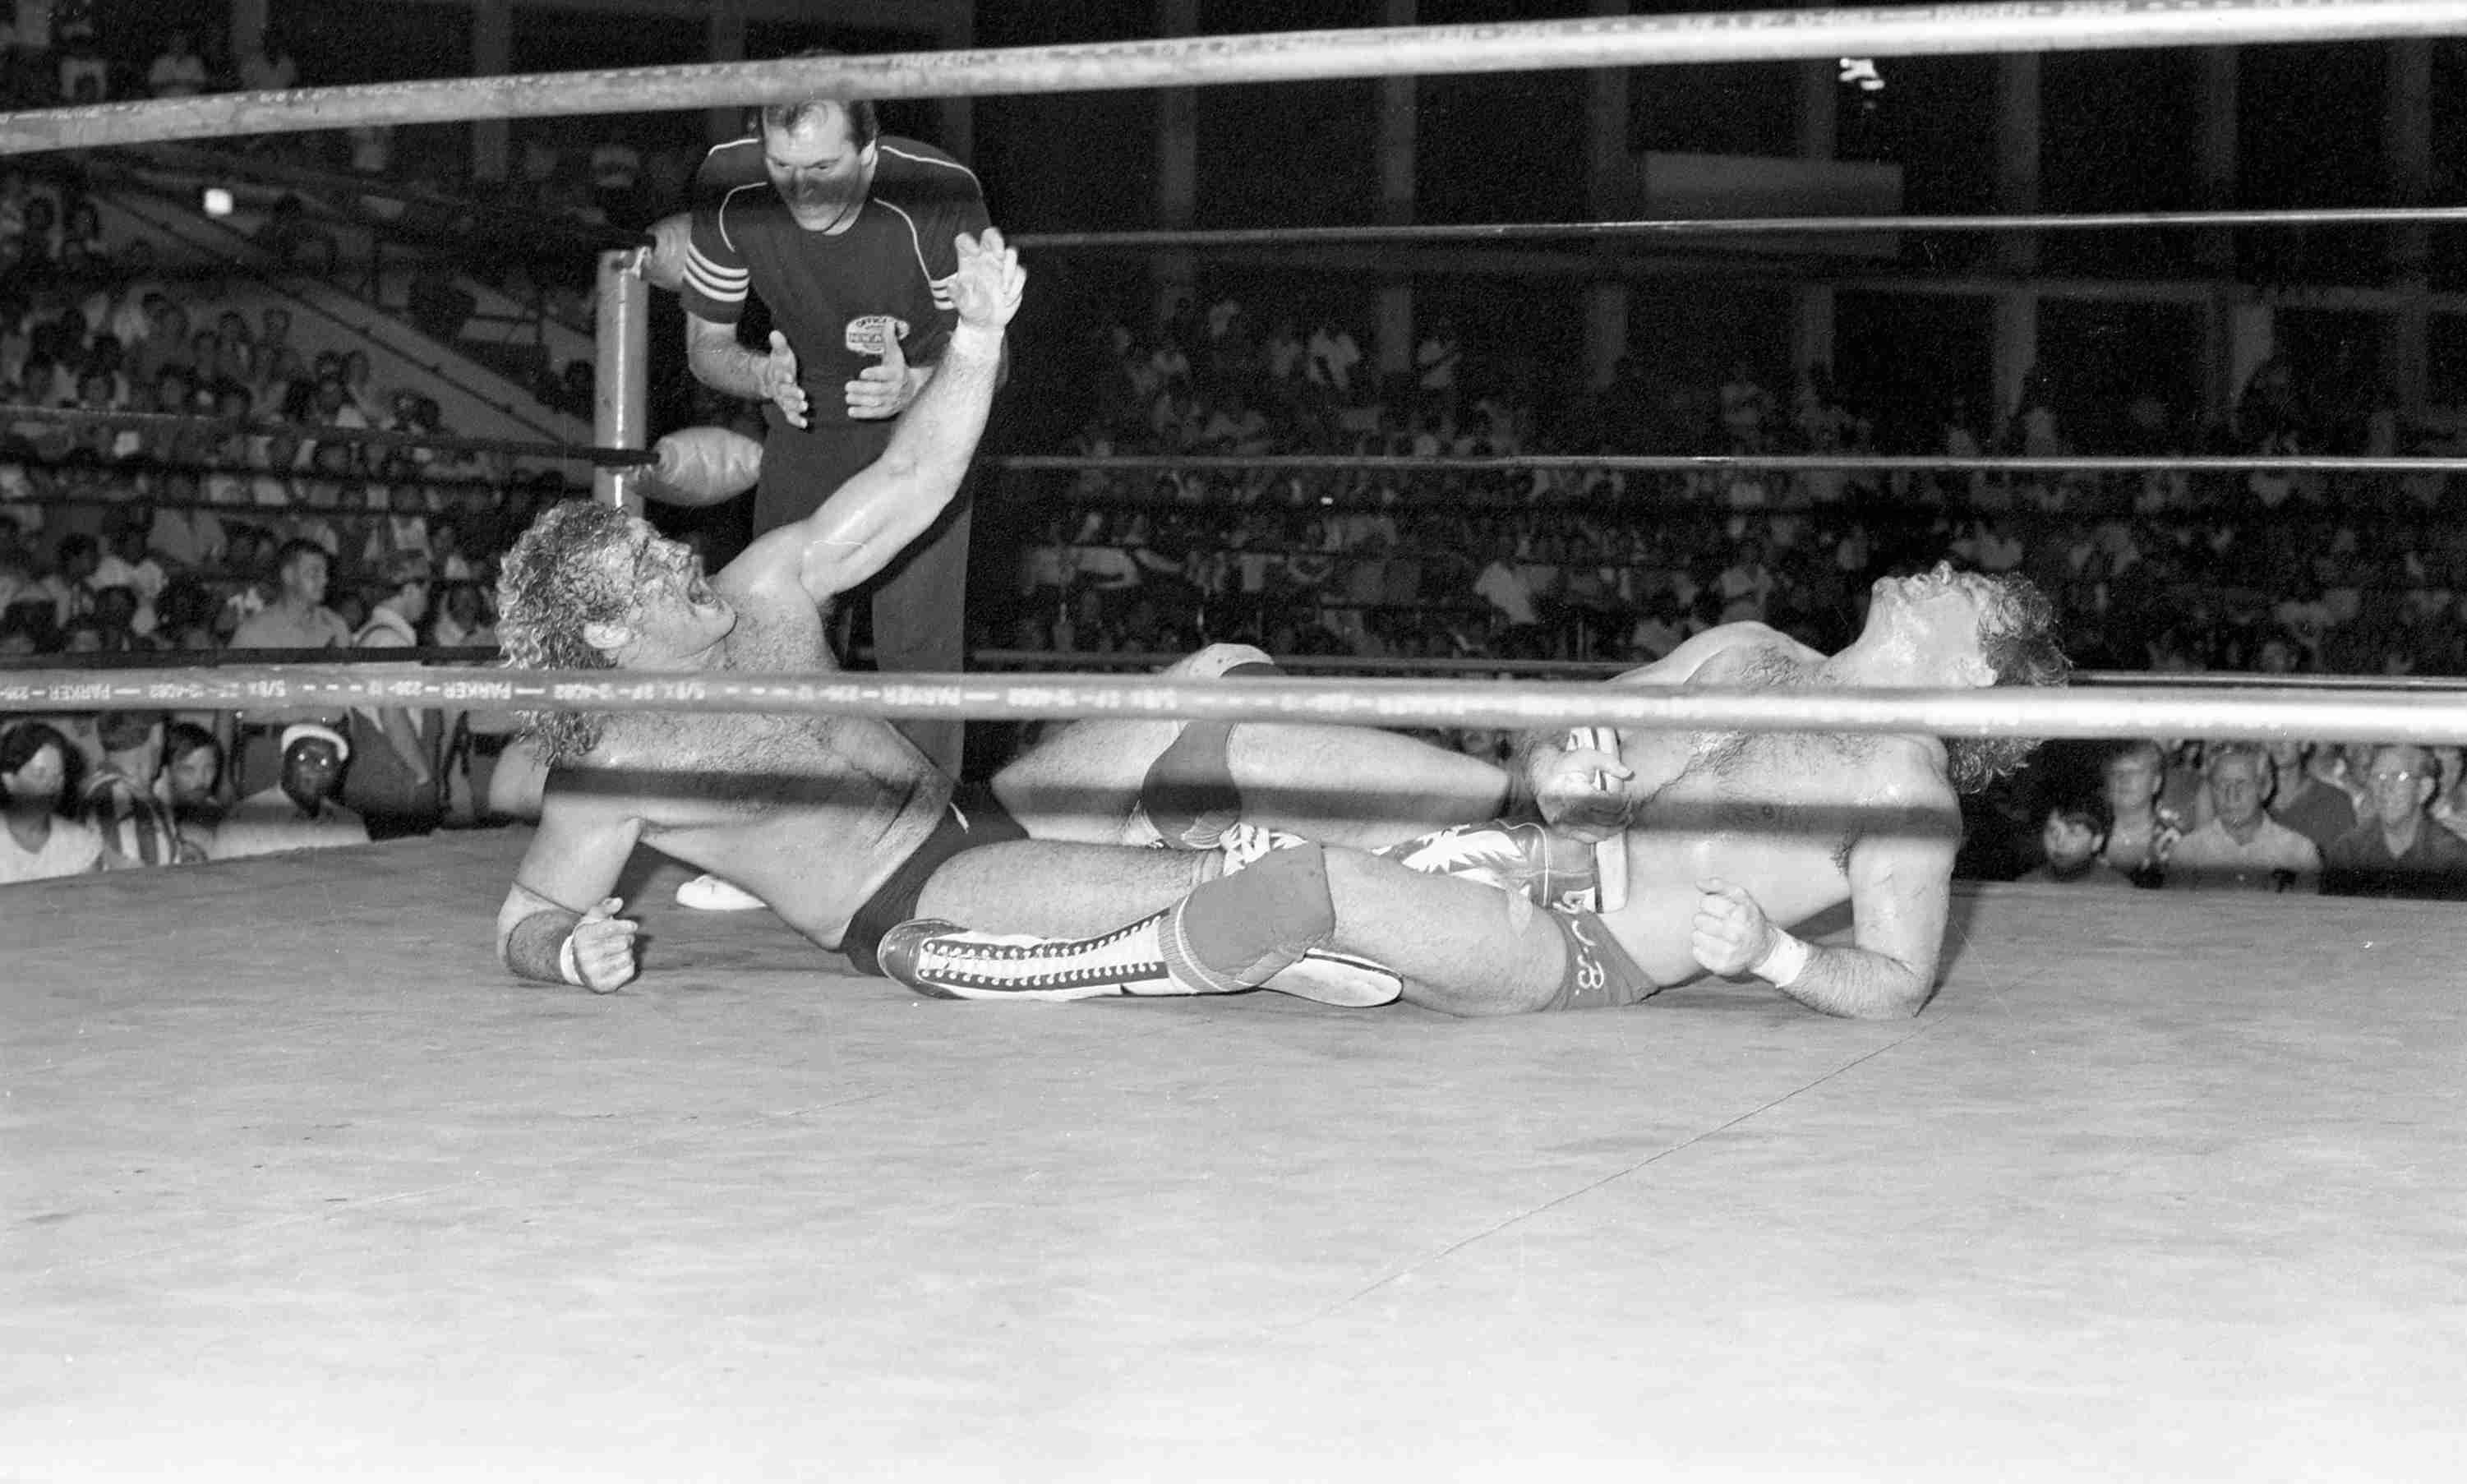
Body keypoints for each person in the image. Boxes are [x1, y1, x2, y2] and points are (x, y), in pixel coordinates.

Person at [886, 563, 2069, 1020]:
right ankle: (1303, 943)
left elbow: (1899, 982)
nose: (1931, 569)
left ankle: (1043, 968)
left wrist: (1774, 955)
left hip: (1579, 950)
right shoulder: (1745, 647)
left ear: (1976, 672)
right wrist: (1560, 765)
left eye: (1959, 585)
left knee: (1302, 884)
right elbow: (1568, 723)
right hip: (1498, 847)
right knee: (1225, 712)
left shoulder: (1906, 787)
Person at [657, 68, 994, 777]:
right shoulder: (730, 185)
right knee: (774, 625)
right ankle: (776, 821)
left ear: (868, 155)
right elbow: (705, 349)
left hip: (926, 421)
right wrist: (760, 375)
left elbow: (993, 352)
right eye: (784, 166)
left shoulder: (933, 192)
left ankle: (929, 836)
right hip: (803, 416)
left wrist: (917, 384)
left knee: (916, 646)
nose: (801, 189)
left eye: (823, 167)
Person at [227, 538, 352, 796]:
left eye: (325, 573)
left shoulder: (337, 627)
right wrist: (225, 775)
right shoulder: (254, 632)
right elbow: (226, 706)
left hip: (325, 746)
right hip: (271, 748)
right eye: (313, 573)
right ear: (288, 575)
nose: (324, 580)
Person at [342, 554, 443, 840]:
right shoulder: (389, 642)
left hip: (383, 774)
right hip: (395, 780)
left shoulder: (370, 636)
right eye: (426, 591)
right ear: (410, 589)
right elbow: (392, 713)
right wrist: (423, 775)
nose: (428, 600)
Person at [2161, 744, 2319, 892]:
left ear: (2265, 788)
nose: (2232, 795)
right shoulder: (2187, 854)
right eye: (2222, 785)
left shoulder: (2299, 854)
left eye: (2241, 784)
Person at [2320, 744, 2467, 901]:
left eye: (2399, 777)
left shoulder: (2452, 858)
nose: (2385, 788)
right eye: (2378, 776)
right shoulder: (2348, 852)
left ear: (2424, 789)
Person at [212, 725, 371, 860]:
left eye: (325, 761)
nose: (313, 765)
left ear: (337, 773)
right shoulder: (243, 822)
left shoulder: (350, 825)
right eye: (303, 757)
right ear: (282, 761)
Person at [1, 721, 108, 883]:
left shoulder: (80, 844)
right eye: (39, 774)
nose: (52, 785)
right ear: (9, 780)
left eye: (58, 775)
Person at [2014, 795, 2130, 886]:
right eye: (2053, 831)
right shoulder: (2025, 886)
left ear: (2096, 842)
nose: (2060, 842)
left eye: (2073, 833)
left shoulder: (2117, 889)